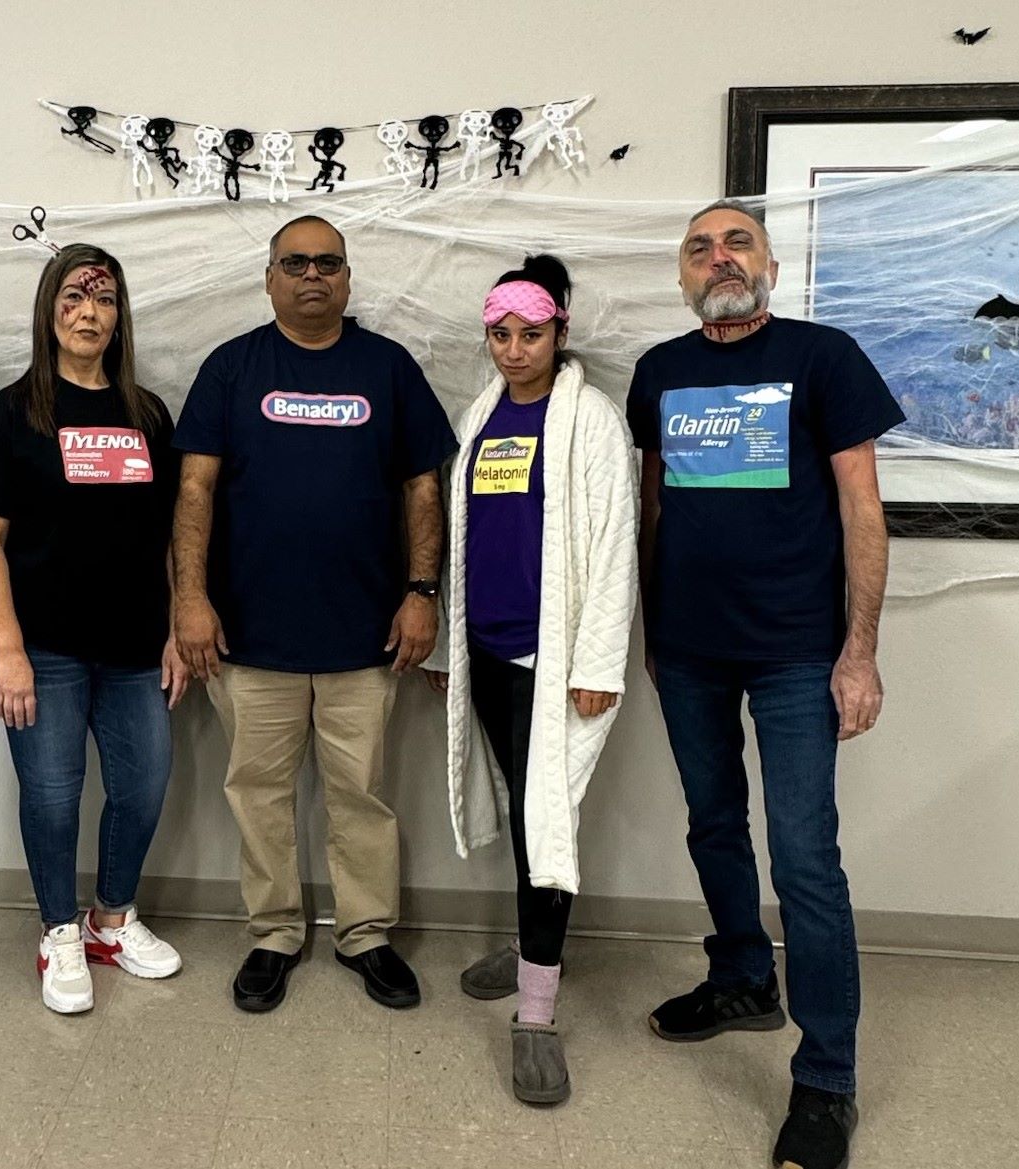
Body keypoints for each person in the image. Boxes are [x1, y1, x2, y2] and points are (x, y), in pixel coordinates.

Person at [626, 200, 904, 1169]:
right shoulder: (660, 372)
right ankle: (743, 974)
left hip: (796, 650)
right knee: (710, 823)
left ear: (771, 262)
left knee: (804, 860)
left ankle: (826, 1077)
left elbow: (863, 509)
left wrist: (858, 650)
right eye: (700, 247)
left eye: (736, 239)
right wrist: (653, 632)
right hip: (691, 651)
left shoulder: (825, 358)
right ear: (682, 276)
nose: (719, 257)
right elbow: (653, 505)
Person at [172, 214, 458, 1013]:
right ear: (269, 278)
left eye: (328, 263)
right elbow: (193, 488)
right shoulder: (232, 367)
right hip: (248, 634)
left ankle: (365, 933)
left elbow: (422, 487)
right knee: (256, 791)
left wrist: (423, 592)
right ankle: (274, 932)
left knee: (360, 794)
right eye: (294, 262)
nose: (312, 275)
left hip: (366, 634)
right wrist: (188, 597)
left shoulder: (388, 368)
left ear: (347, 279)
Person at [422, 255, 638, 1105]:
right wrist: (451, 651)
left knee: (548, 819)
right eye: (501, 335)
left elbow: (616, 549)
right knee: (525, 808)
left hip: (554, 665)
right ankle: (531, 941)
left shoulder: (590, 421)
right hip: (488, 651)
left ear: (561, 331)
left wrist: (595, 665)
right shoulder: (481, 414)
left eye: (532, 333)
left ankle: (538, 1016)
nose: (515, 350)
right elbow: (464, 538)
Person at [0, 244, 186, 1014]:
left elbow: (166, 535)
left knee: (144, 784)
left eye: (106, 300)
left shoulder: (147, 414)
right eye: (76, 299)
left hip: (133, 644)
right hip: (41, 646)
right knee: (53, 797)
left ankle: (110, 920)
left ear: (121, 315)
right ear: (50, 311)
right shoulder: (13, 412)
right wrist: (10, 651)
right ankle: (58, 929)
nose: (91, 313)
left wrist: (174, 631)